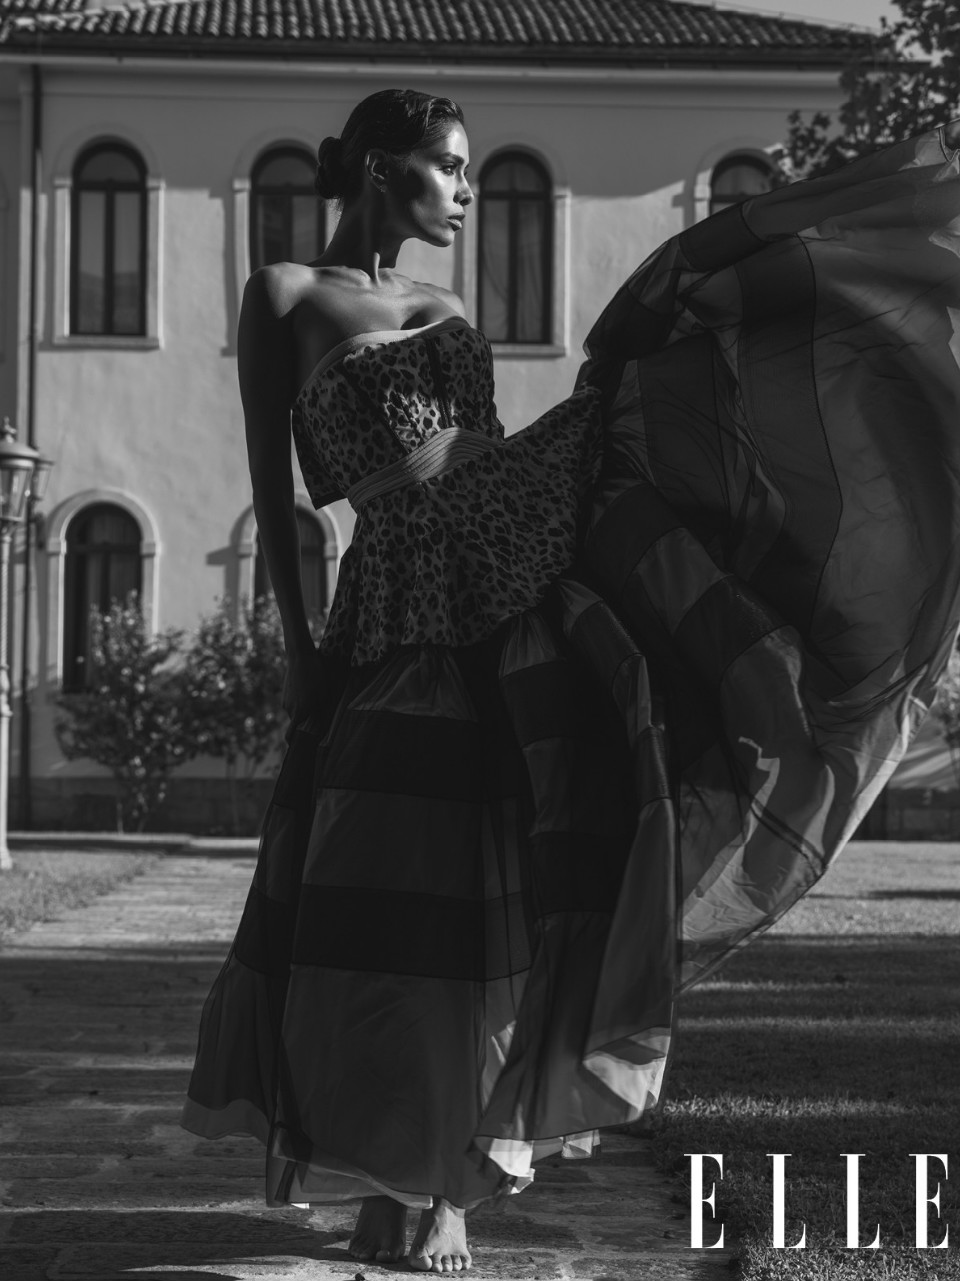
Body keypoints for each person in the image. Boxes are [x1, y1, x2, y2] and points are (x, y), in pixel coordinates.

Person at [182, 89, 960, 1274]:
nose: (465, 192)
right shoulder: (282, 296)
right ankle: (393, 1174)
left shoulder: (449, 309)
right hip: (391, 605)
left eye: (469, 170)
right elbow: (277, 496)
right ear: (382, 170)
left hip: (504, 588)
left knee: (494, 890)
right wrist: (298, 647)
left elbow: (488, 457)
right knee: (374, 897)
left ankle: (445, 1187)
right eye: (448, 168)